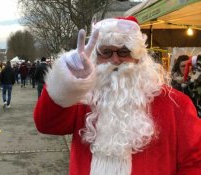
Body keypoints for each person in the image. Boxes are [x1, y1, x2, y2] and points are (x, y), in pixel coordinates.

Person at [33, 16, 201, 175]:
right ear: (96, 57)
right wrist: (67, 83)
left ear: (138, 58)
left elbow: (194, 162)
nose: (115, 60)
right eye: (106, 52)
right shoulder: (84, 96)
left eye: (123, 52)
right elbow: (46, 124)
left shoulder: (176, 103)